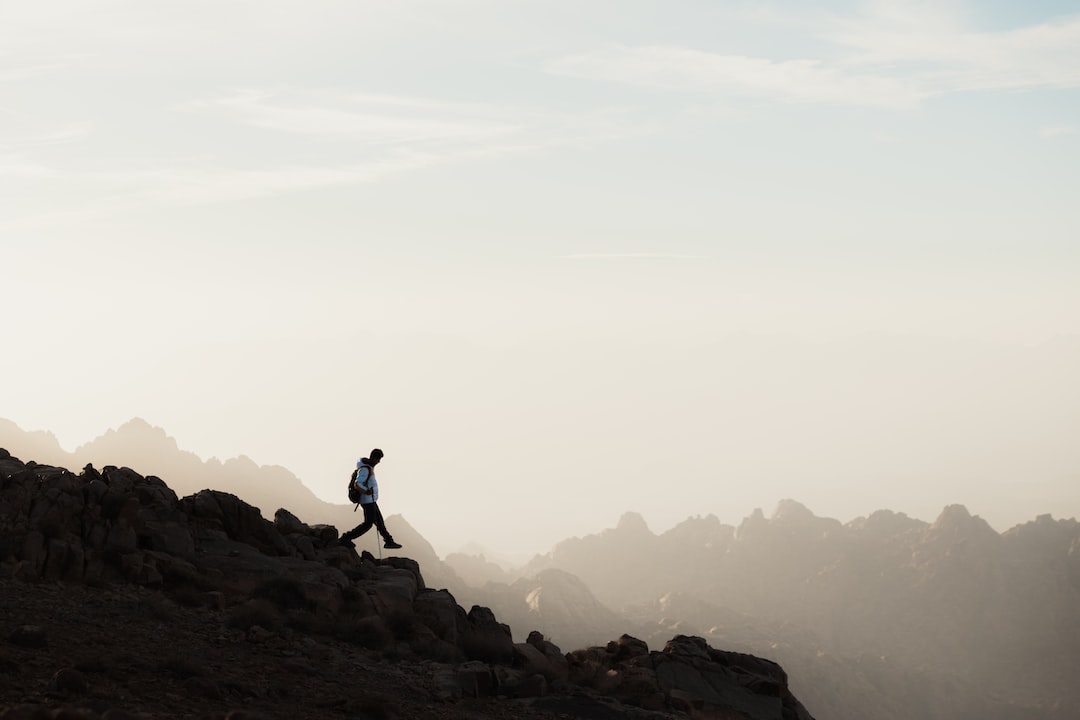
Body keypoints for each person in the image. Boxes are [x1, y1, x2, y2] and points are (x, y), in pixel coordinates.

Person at [339, 448, 402, 550]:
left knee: (379, 521)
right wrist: (367, 491)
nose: (379, 462)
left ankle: (389, 541)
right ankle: (345, 538)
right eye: (378, 459)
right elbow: (357, 484)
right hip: (366, 500)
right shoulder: (365, 469)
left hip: (370, 500)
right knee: (368, 524)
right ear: (373, 457)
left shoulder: (368, 468)